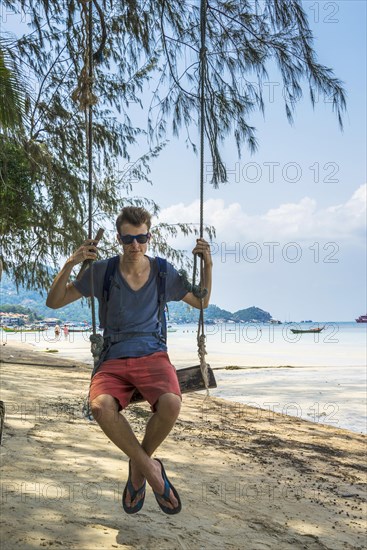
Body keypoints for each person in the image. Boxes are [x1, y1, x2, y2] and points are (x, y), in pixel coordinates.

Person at [46, 206, 212, 515]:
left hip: (153, 354)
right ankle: (151, 470)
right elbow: (54, 301)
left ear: (150, 236)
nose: (135, 246)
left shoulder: (164, 272)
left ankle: (139, 468)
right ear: (119, 239)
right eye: (127, 239)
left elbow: (201, 301)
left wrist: (208, 264)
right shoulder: (103, 271)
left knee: (172, 404)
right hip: (114, 356)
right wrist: (72, 262)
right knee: (99, 407)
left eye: (141, 238)